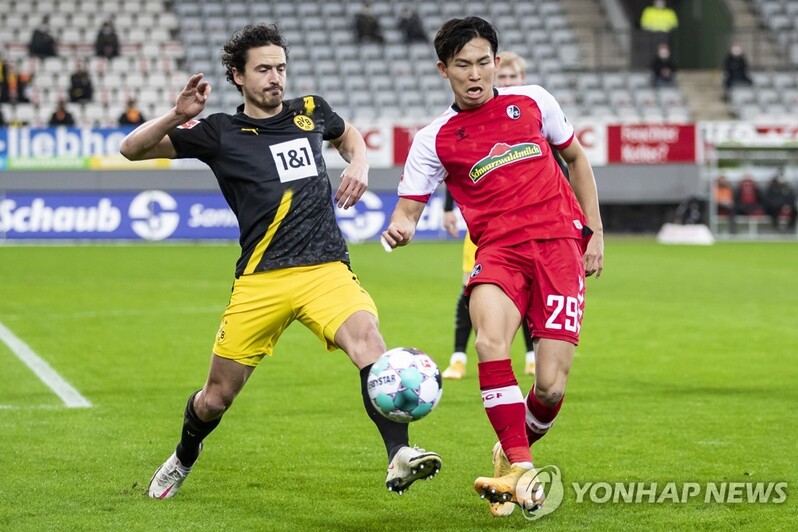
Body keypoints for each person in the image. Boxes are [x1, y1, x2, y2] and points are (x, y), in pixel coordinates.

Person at [119, 23, 441, 501]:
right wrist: (176, 115)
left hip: (324, 268)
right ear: (238, 76)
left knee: (369, 341)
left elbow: (349, 135)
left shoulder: (310, 110)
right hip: (261, 280)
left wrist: (359, 162)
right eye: (264, 69)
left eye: (281, 68)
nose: (276, 78)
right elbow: (131, 149)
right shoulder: (219, 132)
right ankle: (184, 455)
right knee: (215, 399)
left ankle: (399, 454)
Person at [382, 17, 603, 516]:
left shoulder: (535, 101)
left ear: (497, 62)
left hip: (560, 248)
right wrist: (401, 226)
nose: (475, 74)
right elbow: (408, 209)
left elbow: (577, 160)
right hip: (499, 253)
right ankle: (522, 469)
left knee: (550, 387)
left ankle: (510, 451)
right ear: (443, 69)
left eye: (484, 62)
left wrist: (596, 233)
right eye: (463, 65)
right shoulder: (434, 138)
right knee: (488, 341)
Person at [440, 50, 546, 381]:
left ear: (523, 79)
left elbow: (558, 165)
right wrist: (448, 208)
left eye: (516, 77)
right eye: (506, 78)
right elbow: (459, 168)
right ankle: (459, 357)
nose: (510, 83)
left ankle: (531, 356)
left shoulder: (533, 116)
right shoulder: (477, 118)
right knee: (469, 289)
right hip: (486, 230)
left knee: (529, 292)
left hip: (530, 227)